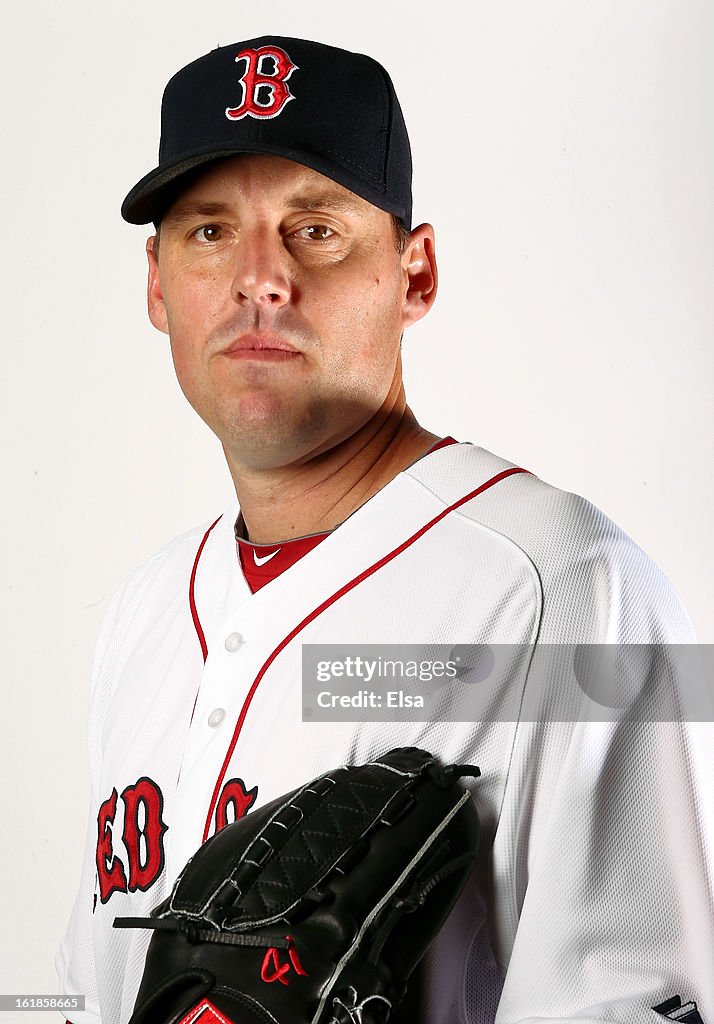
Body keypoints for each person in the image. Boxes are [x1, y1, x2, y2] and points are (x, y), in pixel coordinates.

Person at [56, 35, 711, 1024]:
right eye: (209, 232)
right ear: (157, 284)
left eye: (315, 228)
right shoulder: (143, 612)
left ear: (416, 273)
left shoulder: (572, 590)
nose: (260, 280)